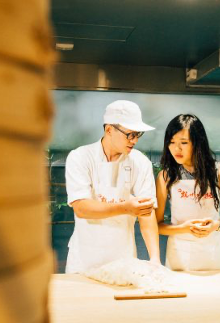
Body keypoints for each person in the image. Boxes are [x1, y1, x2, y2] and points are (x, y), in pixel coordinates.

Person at [65, 100, 161, 274]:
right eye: (129, 134)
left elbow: (147, 212)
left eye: (138, 134)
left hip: (123, 257)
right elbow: (82, 208)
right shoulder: (80, 157)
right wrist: (125, 207)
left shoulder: (140, 163)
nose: (134, 141)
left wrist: (155, 259)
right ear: (109, 129)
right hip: (84, 259)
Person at [155, 114, 220, 271]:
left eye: (183, 142)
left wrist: (216, 225)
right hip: (179, 254)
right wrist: (184, 228)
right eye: (171, 142)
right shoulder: (165, 176)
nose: (176, 148)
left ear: (198, 142)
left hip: (212, 253)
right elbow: (157, 226)